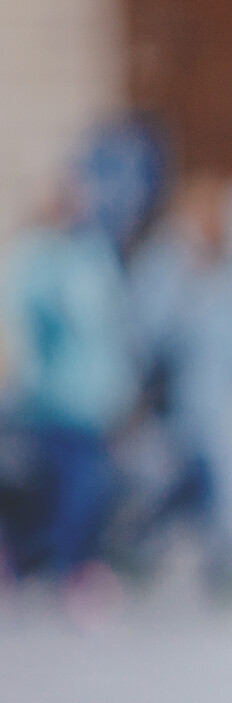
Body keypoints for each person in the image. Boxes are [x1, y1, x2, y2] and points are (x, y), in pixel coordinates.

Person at [0, 119, 168, 617]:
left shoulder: (93, 255)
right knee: (61, 488)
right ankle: (57, 568)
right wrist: (22, 378)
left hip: (95, 406)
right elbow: (17, 328)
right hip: (48, 404)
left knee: (90, 492)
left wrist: (128, 390)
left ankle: (71, 567)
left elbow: (114, 330)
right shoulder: (35, 257)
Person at [127, 173, 232, 599]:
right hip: (177, 408)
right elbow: (144, 334)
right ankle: (146, 550)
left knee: (214, 486)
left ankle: (215, 565)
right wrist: (183, 281)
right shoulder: (163, 267)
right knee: (187, 485)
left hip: (227, 408)